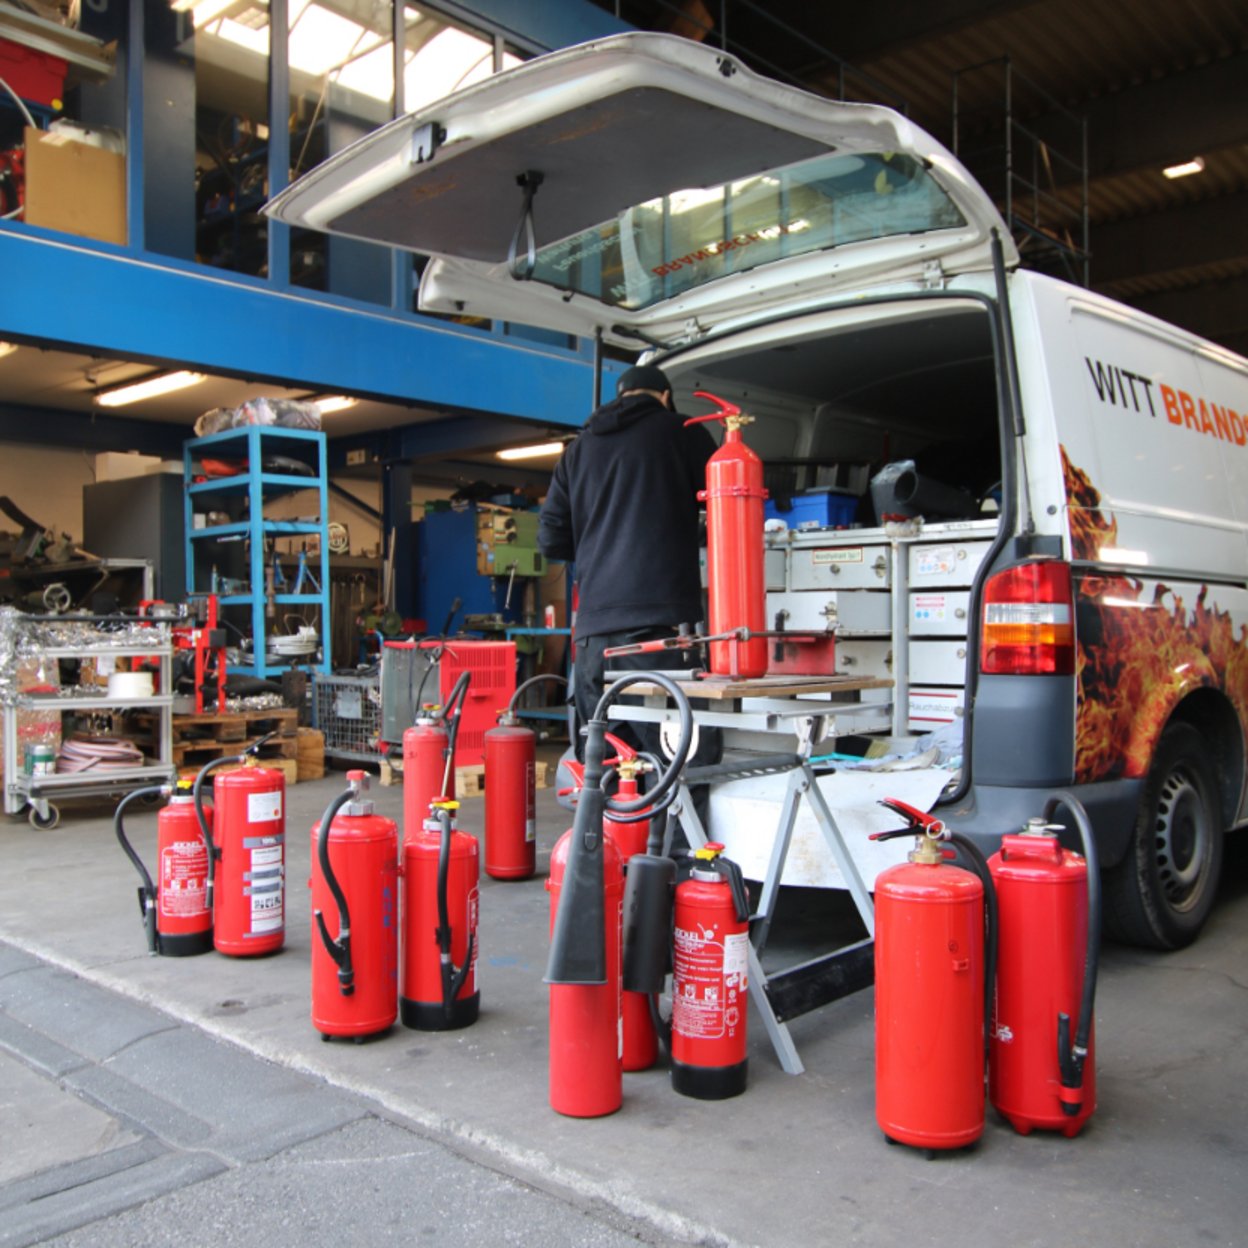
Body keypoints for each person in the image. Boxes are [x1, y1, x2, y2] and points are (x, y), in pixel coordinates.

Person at [538, 363, 723, 778]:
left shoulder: (577, 449)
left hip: (593, 637)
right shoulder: (685, 431)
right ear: (663, 397)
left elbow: (550, 540)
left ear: (619, 397)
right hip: (659, 628)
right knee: (677, 754)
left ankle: (606, 841)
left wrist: (596, 551)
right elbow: (725, 506)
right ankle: (672, 845)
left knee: (603, 762)